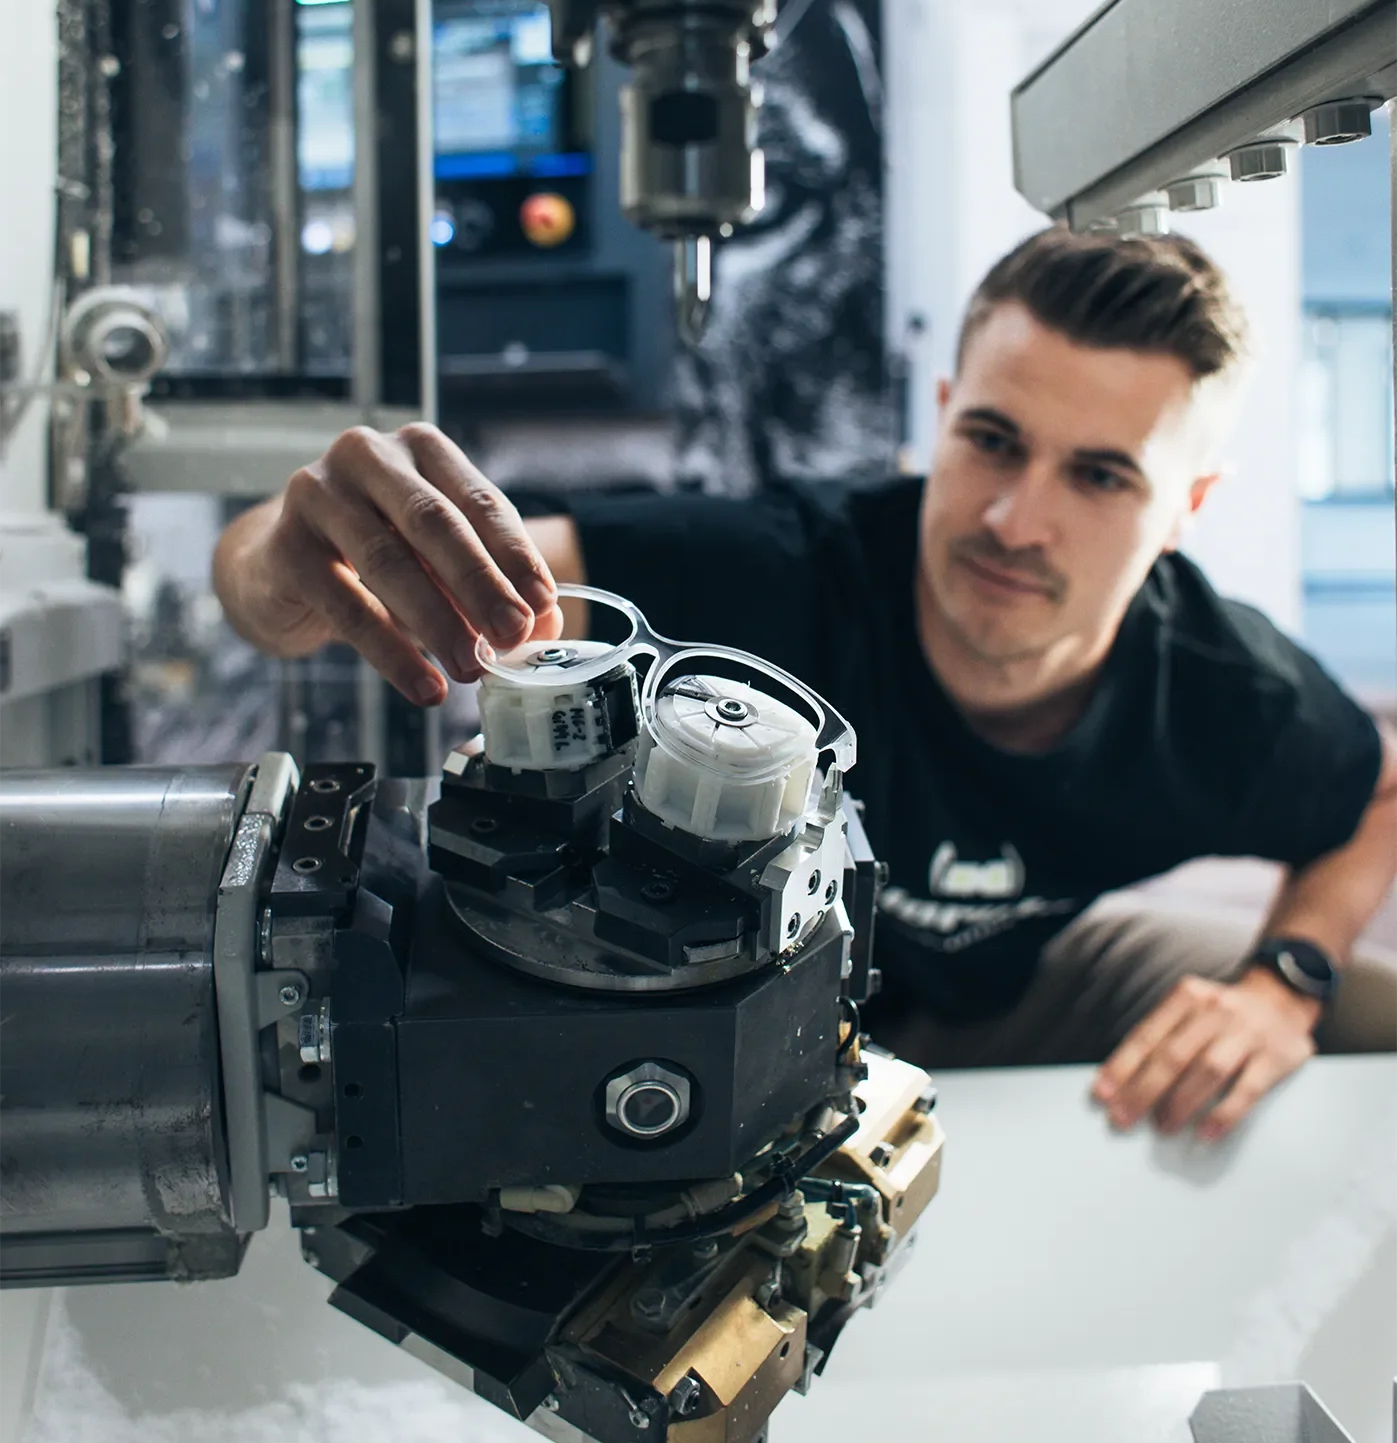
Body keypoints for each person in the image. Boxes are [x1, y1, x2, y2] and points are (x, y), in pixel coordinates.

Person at [213, 228, 1397, 1143]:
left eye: (1098, 476)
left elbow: (1374, 796)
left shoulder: (1227, 692)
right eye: (990, 439)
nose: (1011, 521)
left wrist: (1282, 980)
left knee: (1361, 1014)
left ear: (1186, 507)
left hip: (1021, 985)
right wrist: (286, 557)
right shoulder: (782, 568)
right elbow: (314, 588)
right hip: (740, 988)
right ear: (941, 417)